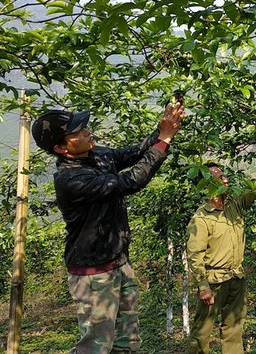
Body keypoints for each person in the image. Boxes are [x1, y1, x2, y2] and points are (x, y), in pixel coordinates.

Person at [30, 101, 185, 352]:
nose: (86, 132)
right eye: (77, 133)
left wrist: (163, 131)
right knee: (96, 346)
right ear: (61, 148)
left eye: (84, 128)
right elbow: (131, 180)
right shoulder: (71, 180)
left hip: (118, 263)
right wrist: (164, 140)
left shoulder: (96, 155)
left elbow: (130, 153)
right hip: (93, 274)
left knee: (128, 341)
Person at [187, 150, 256, 354]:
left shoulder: (235, 205)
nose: (225, 179)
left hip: (236, 277)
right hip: (214, 281)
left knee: (234, 328)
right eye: (219, 177)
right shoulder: (202, 218)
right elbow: (195, 255)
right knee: (202, 332)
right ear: (207, 184)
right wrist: (203, 286)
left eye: (224, 175)